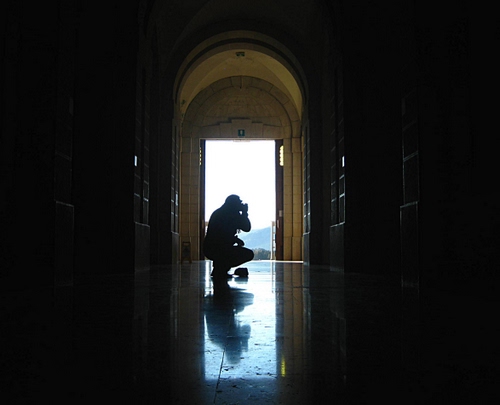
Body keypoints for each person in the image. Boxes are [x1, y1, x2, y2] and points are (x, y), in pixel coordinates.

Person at [203, 194, 254, 279]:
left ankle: (220, 268)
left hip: (211, 248)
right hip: (216, 248)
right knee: (248, 254)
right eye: (239, 203)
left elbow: (246, 228)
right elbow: (246, 227)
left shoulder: (221, 213)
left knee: (227, 252)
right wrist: (244, 213)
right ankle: (220, 268)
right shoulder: (229, 215)